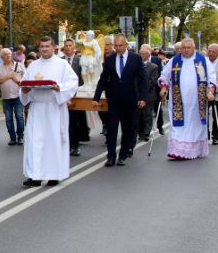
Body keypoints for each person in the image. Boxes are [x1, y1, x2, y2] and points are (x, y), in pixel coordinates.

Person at [20, 37, 80, 186]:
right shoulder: (33, 66)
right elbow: (24, 84)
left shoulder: (62, 64)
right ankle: (35, 175)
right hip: (37, 108)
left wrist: (59, 87)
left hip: (54, 107)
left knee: (54, 141)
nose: (44, 49)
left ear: (54, 48)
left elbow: (73, 82)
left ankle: (54, 174)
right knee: (35, 142)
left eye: (47, 46)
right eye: (42, 46)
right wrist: (25, 90)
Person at [157, 38, 217, 160]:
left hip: (197, 100)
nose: (186, 50)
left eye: (188, 48)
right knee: (178, 125)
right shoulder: (175, 61)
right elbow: (165, 76)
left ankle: (193, 150)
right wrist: (163, 89)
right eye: (183, 48)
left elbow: (212, 77)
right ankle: (177, 150)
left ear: (194, 48)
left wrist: (210, 92)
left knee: (195, 124)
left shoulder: (203, 60)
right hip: (178, 100)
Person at [93, 34, 148, 166]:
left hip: (130, 99)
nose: (118, 48)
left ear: (126, 45)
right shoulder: (110, 59)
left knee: (127, 128)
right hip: (114, 99)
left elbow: (143, 79)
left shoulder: (136, 58)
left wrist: (142, 97)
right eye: (116, 46)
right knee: (112, 128)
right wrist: (96, 97)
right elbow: (103, 78)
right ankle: (111, 156)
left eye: (120, 46)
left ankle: (123, 155)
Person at [62, 39, 88, 156]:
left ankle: (75, 145)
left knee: (74, 121)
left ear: (74, 47)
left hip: (75, 96)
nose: (68, 48)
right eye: (66, 46)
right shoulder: (60, 61)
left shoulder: (80, 61)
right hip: (63, 96)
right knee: (63, 122)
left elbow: (82, 80)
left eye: (70, 45)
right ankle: (66, 145)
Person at [0, 49, 26, 145]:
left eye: (9, 54)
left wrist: (18, 80)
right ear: (2, 57)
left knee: (19, 116)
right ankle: (12, 137)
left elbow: (26, 79)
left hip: (18, 96)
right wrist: (9, 76)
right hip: (6, 97)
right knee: (8, 118)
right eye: (5, 54)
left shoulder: (20, 65)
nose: (8, 56)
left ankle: (20, 136)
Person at [138, 44, 161, 141]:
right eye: (140, 53)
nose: (141, 55)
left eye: (143, 54)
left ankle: (147, 132)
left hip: (149, 94)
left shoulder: (153, 67)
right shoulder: (136, 65)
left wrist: (143, 85)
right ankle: (141, 133)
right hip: (138, 94)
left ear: (148, 55)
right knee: (139, 115)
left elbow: (153, 80)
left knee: (147, 114)